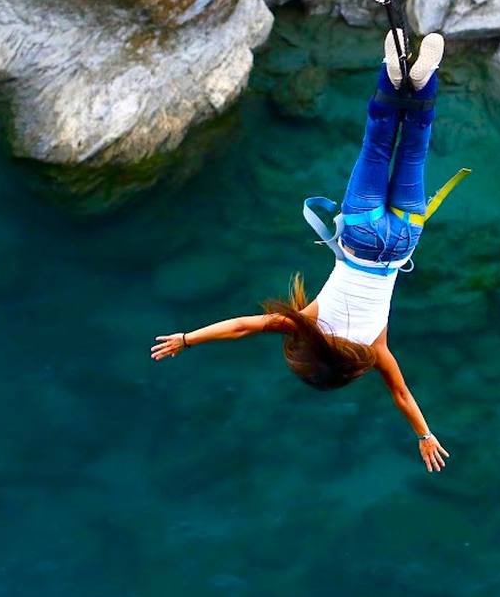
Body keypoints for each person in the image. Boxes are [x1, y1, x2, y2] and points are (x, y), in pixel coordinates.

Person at [152, 31, 457, 472]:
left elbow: (401, 395)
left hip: (401, 240)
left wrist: (425, 435)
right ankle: (392, 76)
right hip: (360, 234)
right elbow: (242, 327)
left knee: (414, 148)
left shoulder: (375, 349)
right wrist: (186, 339)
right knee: (376, 143)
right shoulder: (305, 323)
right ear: (310, 354)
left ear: (350, 370)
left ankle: (424, 82)